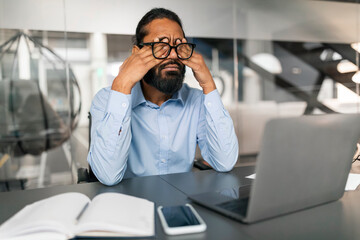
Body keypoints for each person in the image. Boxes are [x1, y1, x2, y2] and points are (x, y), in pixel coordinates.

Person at [87, 8, 238, 186]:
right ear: (137, 53)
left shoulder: (196, 101)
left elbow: (225, 161)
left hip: (181, 206)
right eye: (161, 46)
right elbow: (108, 175)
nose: (173, 55)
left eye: (179, 46)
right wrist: (122, 84)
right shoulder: (106, 100)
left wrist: (209, 85)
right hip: (130, 206)